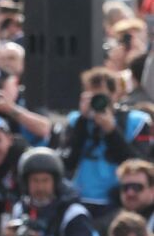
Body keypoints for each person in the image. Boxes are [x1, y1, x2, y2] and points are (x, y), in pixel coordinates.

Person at [60, 67, 153, 219]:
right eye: (92, 96)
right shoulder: (76, 121)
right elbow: (68, 162)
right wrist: (82, 122)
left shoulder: (136, 121)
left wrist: (111, 130)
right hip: (81, 199)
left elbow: (139, 165)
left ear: (115, 94)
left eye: (101, 96)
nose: (97, 101)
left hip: (118, 200)